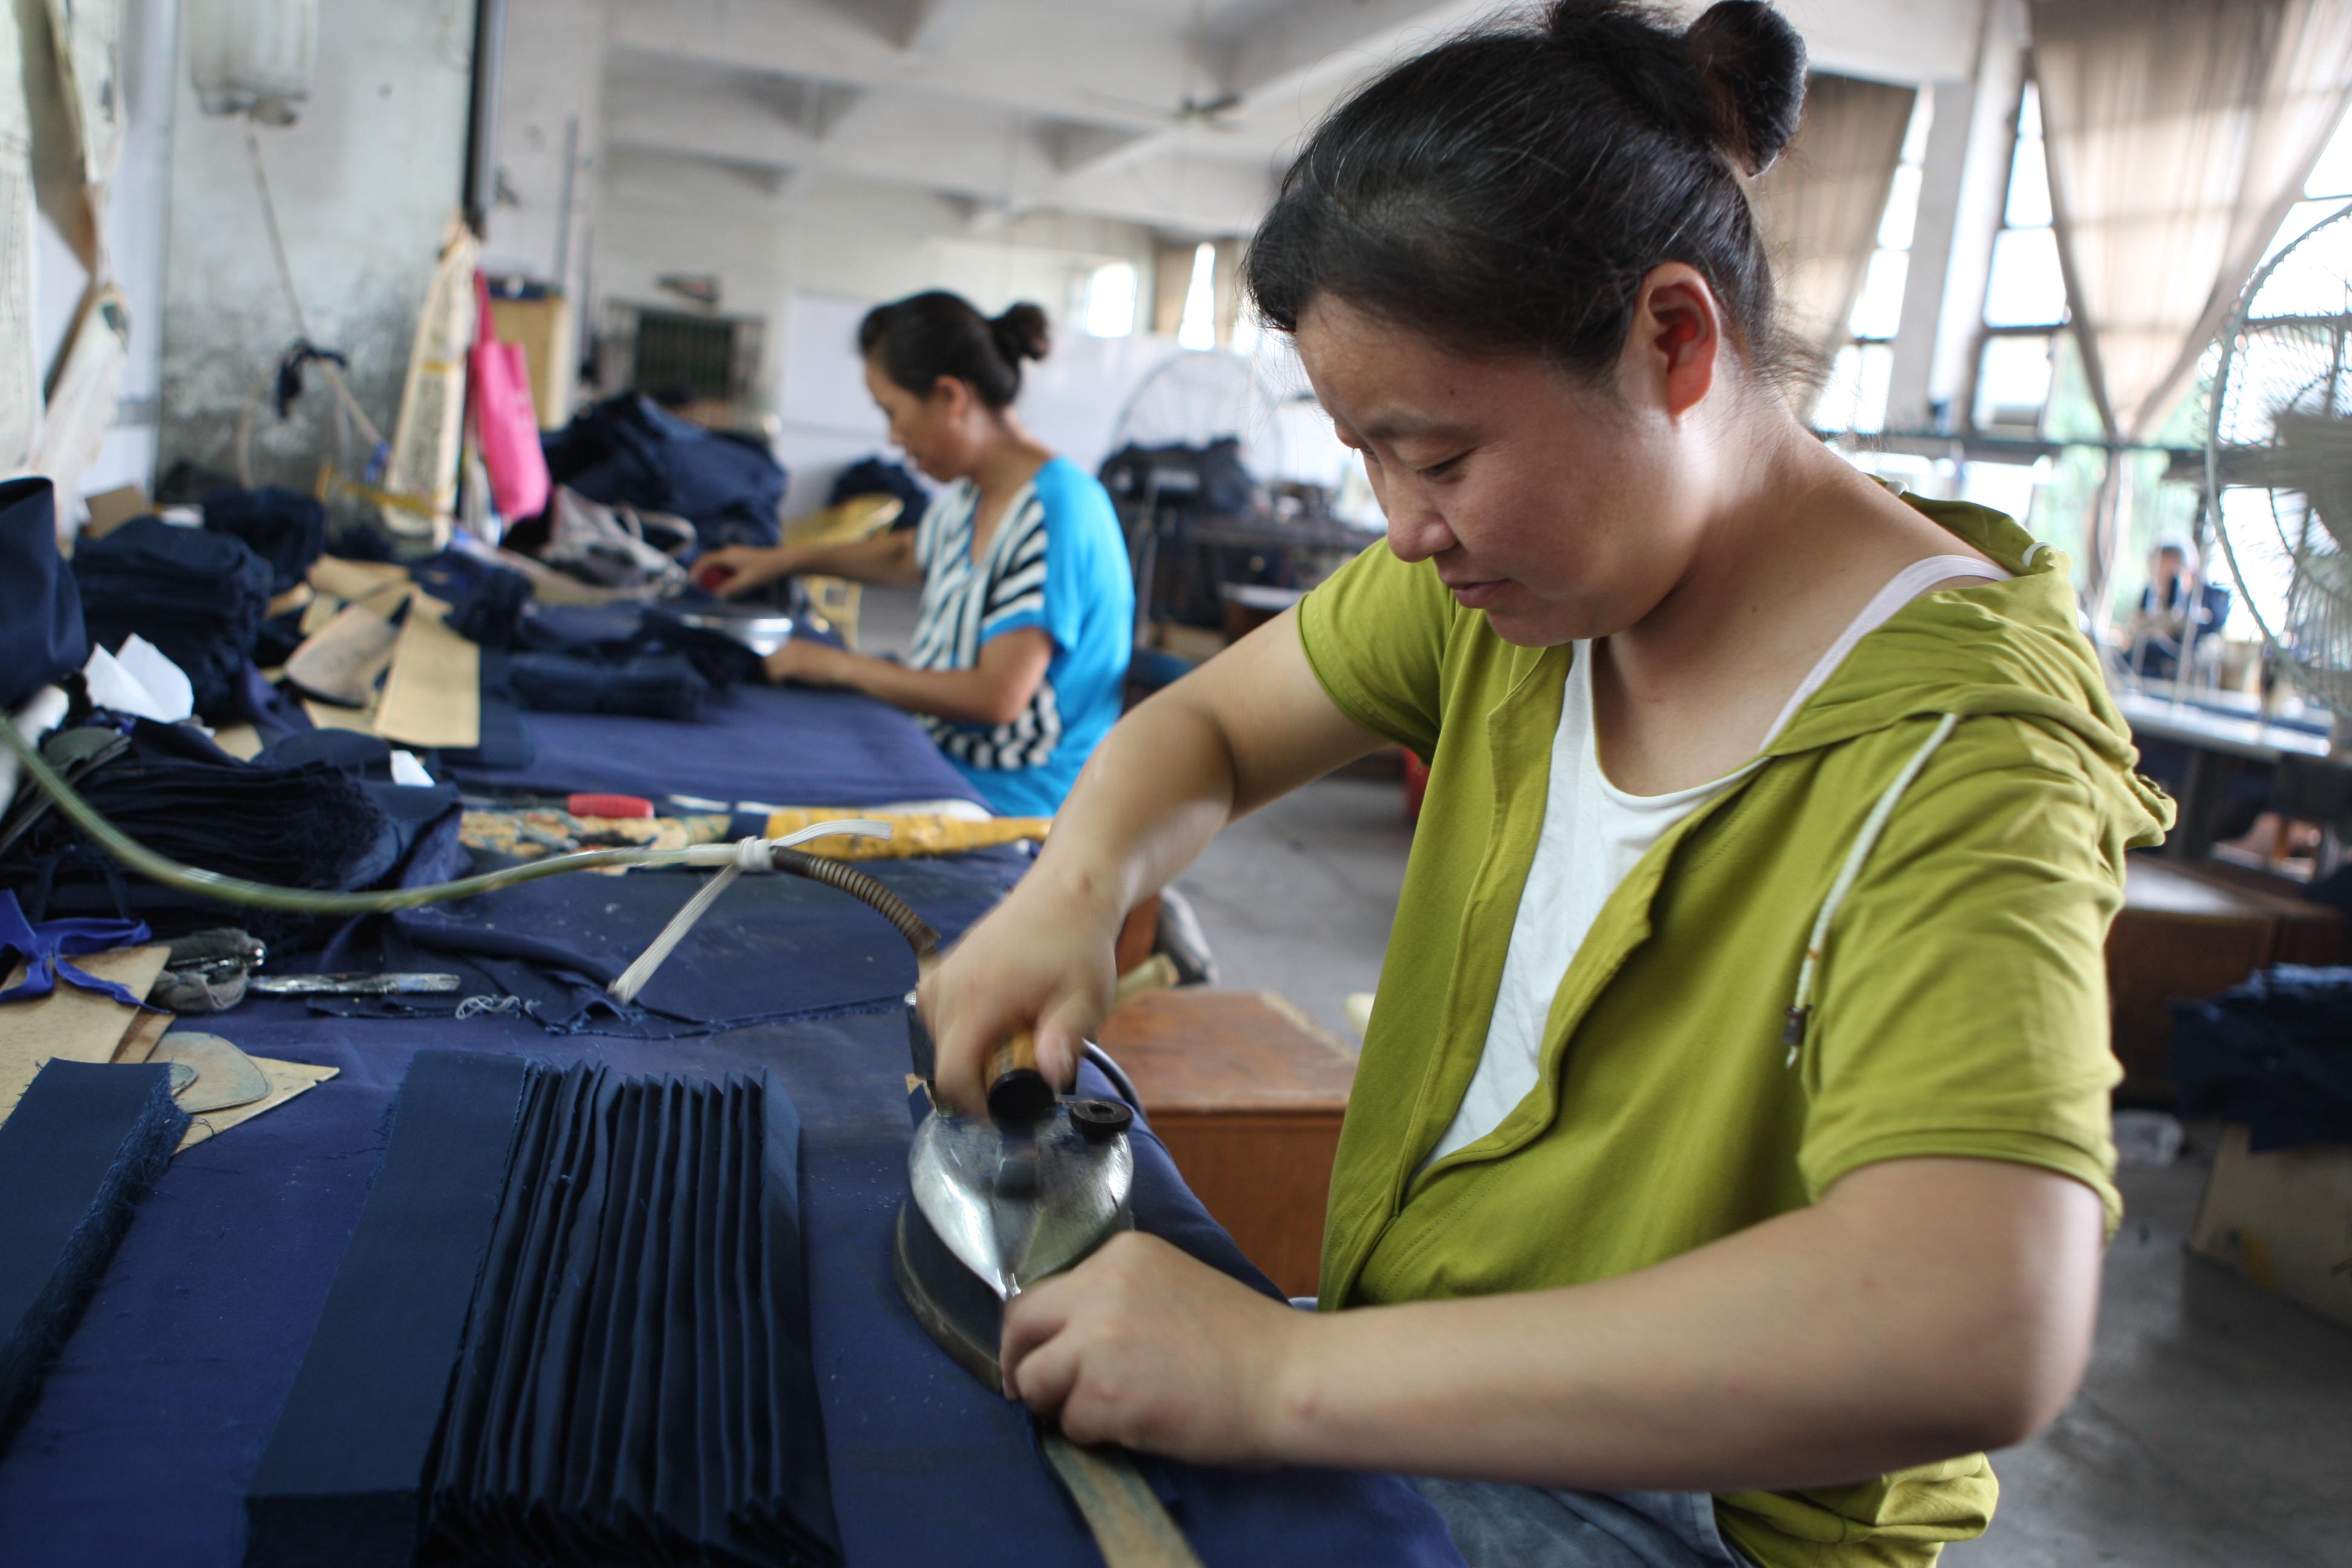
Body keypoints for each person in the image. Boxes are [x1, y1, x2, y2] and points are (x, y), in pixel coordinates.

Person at [915, 5, 2172, 1566]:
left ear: (1674, 341)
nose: (1403, 526)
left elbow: (1975, 1313)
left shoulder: (1965, 750)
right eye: (1368, 456)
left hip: (1698, 1518)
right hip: (1417, 1372)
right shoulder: (1522, 589)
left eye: (1439, 458)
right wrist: (1073, 891)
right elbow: (1210, 735)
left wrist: (1283, 1376)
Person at [697, 293, 1134, 816]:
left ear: (950, 397)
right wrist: (780, 561)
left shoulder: (1053, 514)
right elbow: (909, 554)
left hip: (1009, 797)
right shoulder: (977, 493)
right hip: (941, 754)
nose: (893, 437)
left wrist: (838, 667)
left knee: (754, 803)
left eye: (893, 412)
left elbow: (996, 697)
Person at [2124, 538, 2228, 681]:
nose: (2161, 582)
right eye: (2157, 575)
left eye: (2169, 576)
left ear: (2190, 574)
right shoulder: (2150, 595)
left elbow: (2212, 624)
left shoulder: (2211, 598)